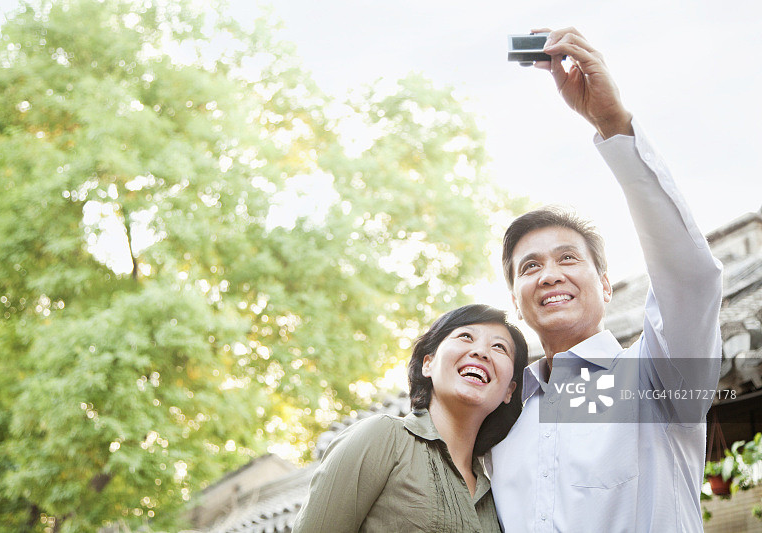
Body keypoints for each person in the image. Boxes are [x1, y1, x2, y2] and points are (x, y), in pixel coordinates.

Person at [488, 28, 723, 532]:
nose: (550, 275)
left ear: (606, 285)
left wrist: (613, 125)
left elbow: (690, 279)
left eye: (568, 258)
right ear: (516, 300)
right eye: (530, 266)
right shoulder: (501, 419)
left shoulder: (658, 378)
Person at [293, 304, 528, 532]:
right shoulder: (383, 437)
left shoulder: (498, 495)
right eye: (466, 336)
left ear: (509, 391)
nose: (481, 352)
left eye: (499, 347)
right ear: (428, 363)